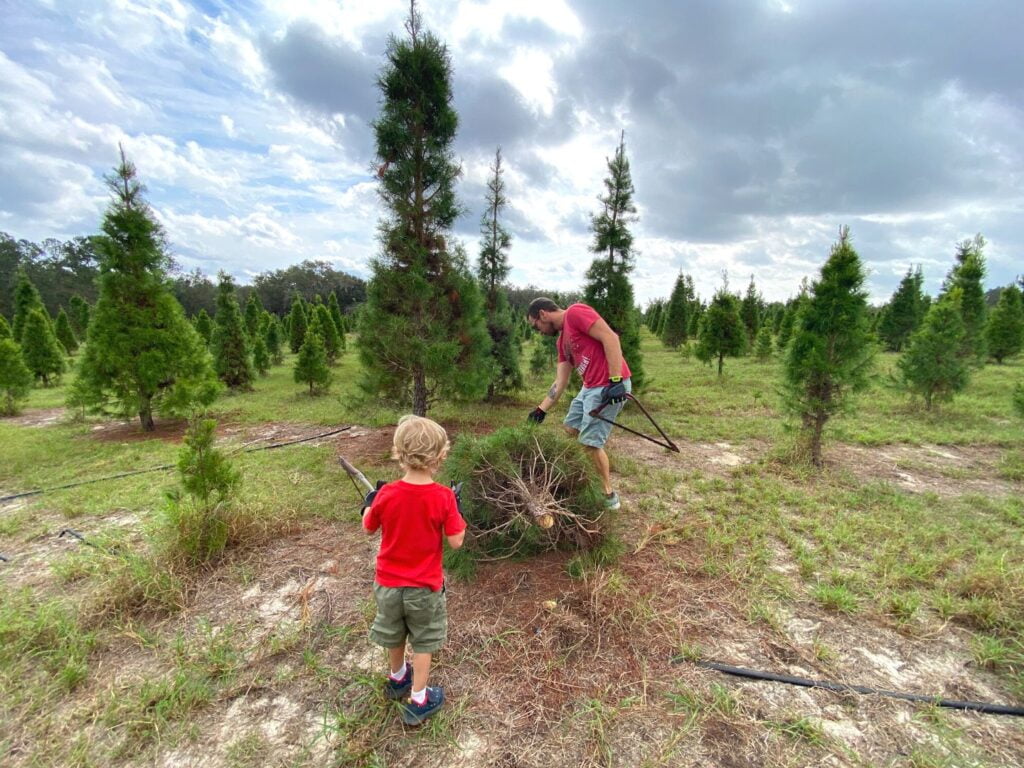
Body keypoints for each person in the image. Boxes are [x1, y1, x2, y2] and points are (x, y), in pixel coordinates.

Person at [362, 415, 466, 725]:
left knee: (395, 633)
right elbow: (457, 541)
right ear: (440, 457)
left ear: (398, 453)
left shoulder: (387, 494)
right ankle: (419, 699)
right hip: (424, 588)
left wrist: (370, 503)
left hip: (388, 586)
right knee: (423, 641)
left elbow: (368, 527)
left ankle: (397, 679)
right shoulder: (444, 497)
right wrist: (458, 511)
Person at [525, 297, 631, 510]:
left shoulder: (575, 313)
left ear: (543, 314)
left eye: (536, 325)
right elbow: (560, 381)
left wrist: (616, 380)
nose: (538, 331)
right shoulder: (561, 342)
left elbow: (610, 338)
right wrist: (541, 409)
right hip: (589, 387)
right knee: (570, 428)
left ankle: (608, 495)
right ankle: (580, 476)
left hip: (607, 385)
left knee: (590, 444)